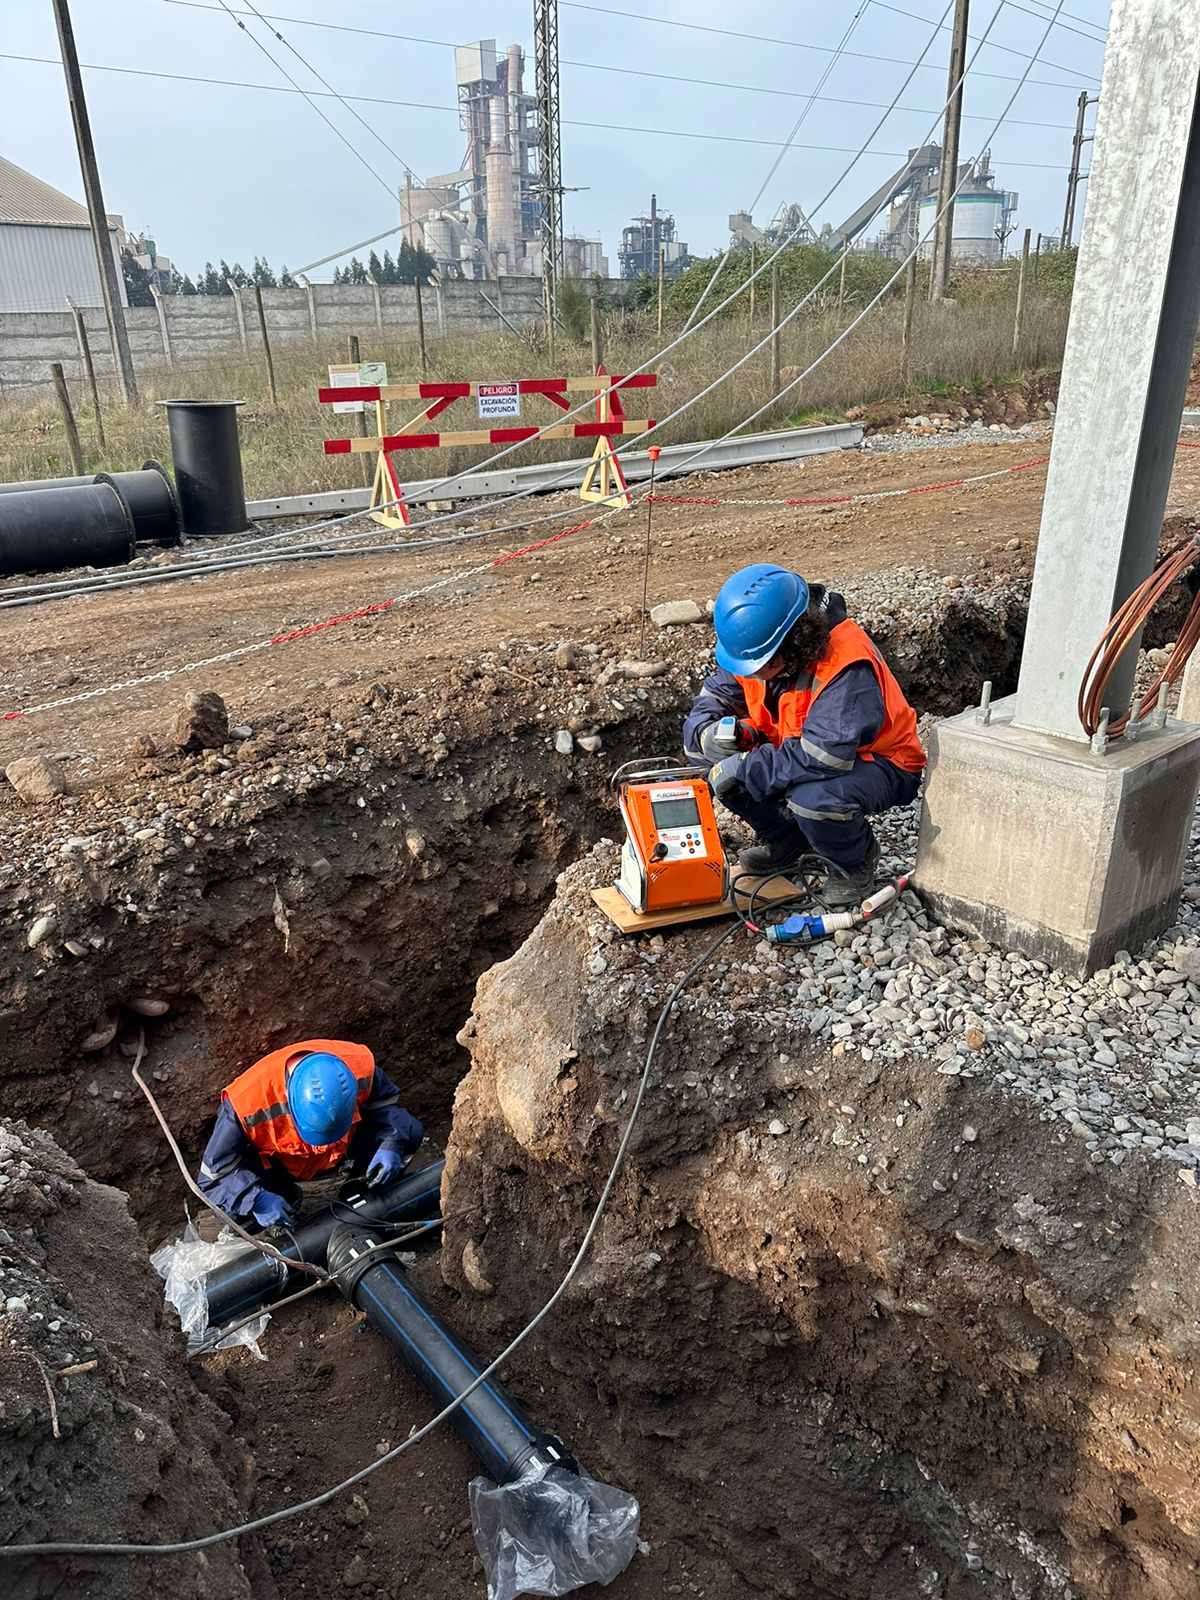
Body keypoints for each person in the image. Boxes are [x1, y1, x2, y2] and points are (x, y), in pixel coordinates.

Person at [684, 563, 926, 905]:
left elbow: (823, 755)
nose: (754, 676)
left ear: (796, 643)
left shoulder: (845, 663)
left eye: (761, 667)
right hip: (799, 747)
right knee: (710, 757)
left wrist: (745, 766)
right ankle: (789, 840)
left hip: (881, 762)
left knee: (813, 799)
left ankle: (854, 862)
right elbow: (714, 698)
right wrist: (707, 733)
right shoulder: (756, 644)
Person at [197, 1038, 424, 1232]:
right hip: (280, 1167)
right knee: (235, 1213)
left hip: (344, 1149)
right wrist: (256, 1200)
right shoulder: (246, 1104)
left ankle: (362, 1193)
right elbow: (213, 1176)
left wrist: (392, 1142)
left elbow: (387, 1107)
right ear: (290, 1101)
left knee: (409, 1135)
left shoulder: (359, 1066)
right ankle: (285, 1205)